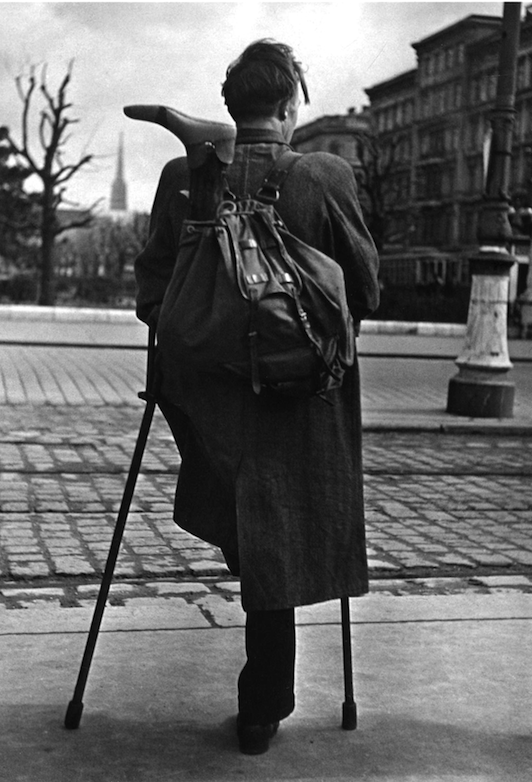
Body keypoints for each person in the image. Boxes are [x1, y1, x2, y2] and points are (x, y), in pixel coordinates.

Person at [134, 39, 380, 755]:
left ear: (231, 107)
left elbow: (151, 291)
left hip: (205, 400)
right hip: (297, 394)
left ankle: (262, 689)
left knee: (248, 524)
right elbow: (363, 288)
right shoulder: (324, 176)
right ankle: (263, 704)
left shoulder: (183, 174)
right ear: (288, 106)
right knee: (278, 529)